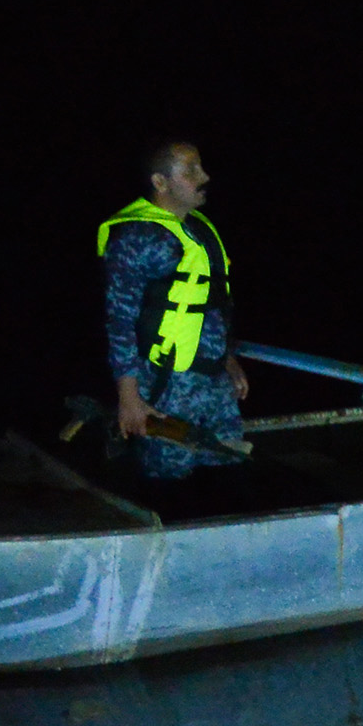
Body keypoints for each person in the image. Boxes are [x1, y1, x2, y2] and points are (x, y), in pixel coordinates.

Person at [98, 140, 248, 482]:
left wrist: (229, 358)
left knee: (228, 465)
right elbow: (119, 321)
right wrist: (128, 396)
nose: (204, 176)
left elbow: (215, 304)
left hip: (215, 384)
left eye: (201, 167)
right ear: (160, 182)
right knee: (168, 477)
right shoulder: (137, 238)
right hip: (167, 386)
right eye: (191, 170)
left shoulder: (201, 230)